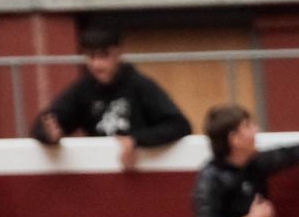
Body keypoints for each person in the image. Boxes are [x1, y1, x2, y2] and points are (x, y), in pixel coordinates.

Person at [31, 25, 191, 170]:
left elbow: (179, 125)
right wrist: (47, 134)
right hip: (99, 173)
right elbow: (47, 122)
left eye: (103, 56)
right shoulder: (83, 89)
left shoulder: (140, 85)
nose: (96, 65)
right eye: (90, 57)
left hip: (140, 173)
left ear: (119, 53)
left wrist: (136, 140)